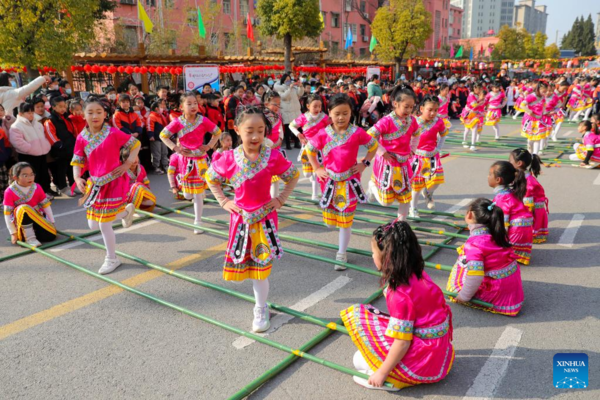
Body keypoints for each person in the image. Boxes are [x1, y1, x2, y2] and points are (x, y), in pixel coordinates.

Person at [206, 105, 299, 333]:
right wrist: (224, 201)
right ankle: (260, 305)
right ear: (237, 130)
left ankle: (260, 307)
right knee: (249, 266)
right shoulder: (228, 157)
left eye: (260, 130)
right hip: (240, 221)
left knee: (261, 267)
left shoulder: (273, 156)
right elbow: (210, 178)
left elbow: (292, 176)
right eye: (249, 130)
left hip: (265, 219)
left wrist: (280, 199)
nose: (256, 136)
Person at [340, 220, 454, 391]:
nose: (372, 256)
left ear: (386, 258)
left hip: (424, 357)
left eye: (373, 252)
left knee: (358, 360)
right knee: (364, 323)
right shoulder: (418, 273)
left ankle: (395, 381)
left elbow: (402, 343)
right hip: (439, 348)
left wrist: (381, 373)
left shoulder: (399, 294)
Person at [306, 94, 378, 267]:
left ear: (351, 113)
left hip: (350, 182)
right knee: (331, 223)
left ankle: (341, 253)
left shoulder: (357, 132)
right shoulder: (322, 134)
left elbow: (373, 146)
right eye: (337, 113)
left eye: (345, 113)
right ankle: (340, 244)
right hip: (329, 183)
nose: (341, 117)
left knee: (346, 221)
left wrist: (364, 164)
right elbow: (310, 150)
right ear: (329, 112)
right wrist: (317, 168)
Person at [71, 96, 139, 274]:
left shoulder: (113, 132)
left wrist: (127, 164)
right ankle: (125, 212)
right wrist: (78, 178)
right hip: (95, 184)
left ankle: (112, 258)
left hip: (114, 180)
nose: (95, 116)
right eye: (90, 112)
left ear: (105, 114)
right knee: (93, 225)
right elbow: (77, 161)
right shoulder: (81, 137)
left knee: (103, 223)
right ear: (83, 115)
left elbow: (136, 144)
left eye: (99, 112)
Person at [446, 198, 524, 316]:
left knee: (454, 285)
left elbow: (475, 276)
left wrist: (463, 296)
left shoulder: (474, 244)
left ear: (470, 214)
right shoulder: (496, 232)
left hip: (498, 291)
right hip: (512, 286)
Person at [159, 92, 221, 234]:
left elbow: (217, 132)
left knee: (198, 194)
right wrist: (175, 148)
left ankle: (197, 221)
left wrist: (209, 146)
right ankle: (192, 193)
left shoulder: (203, 120)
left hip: (199, 160)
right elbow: (163, 135)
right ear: (181, 107)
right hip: (185, 161)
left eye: (195, 103)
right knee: (187, 194)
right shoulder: (177, 122)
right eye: (189, 104)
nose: (193, 106)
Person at [365, 85, 418, 221]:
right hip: (387, 162)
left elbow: (417, 134)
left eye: (411, 107)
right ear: (395, 103)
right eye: (406, 106)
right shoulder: (386, 121)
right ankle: (372, 186)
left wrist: (413, 148)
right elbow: (370, 135)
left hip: (403, 162)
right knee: (386, 201)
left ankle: (402, 223)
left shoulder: (412, 121)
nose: (409, 110)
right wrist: (382, 152)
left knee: (405, 196)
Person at [488, 161, 533, 265]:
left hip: (517, 233)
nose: (488, 176)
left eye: (490, 174)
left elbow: (503, 224)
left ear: (498, 180)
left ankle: (509, 251)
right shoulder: (510, 192)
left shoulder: (502, 197)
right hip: (524, 233)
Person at [411, 96, 448, 215]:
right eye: (430, 109)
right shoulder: (414, 122)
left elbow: (443, 135)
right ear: (421, 108)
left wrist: (438, 148)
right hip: (417, 157)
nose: (433, 113)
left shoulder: (439, 122)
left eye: (436, 110)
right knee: (416, 186)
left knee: (436, 180)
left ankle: (428, 193)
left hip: (433, 156)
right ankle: (413, 208)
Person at [3, 162, 56, 246]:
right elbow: (7, 214)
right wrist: (13, 233)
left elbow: (46, 206)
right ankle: (30, 238)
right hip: (21, 222)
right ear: (15, 177)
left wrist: (52, 223)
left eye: (32, 174)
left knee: (50, 237)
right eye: (25, 175)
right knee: (24, 208)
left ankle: (35, 232)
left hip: (37, 216)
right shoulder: (9, 191)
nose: (30, 178)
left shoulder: (37, 187)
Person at [289, 94, 330, 200]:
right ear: (308, 106)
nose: (318, 109)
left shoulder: (324, 117)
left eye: (319, 106)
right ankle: (314, 184)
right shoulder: (303, 117)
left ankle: (315, 194)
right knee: (308, 174)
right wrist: (298, 134)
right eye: (315, 106)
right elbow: (291, 125)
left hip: (320, 149)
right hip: (307, 147)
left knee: (317, 171)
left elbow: (331, 127)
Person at [8, 102, 53, 197]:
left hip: (41, 153)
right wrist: (30, 148)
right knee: (31, 176)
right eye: (28, 113)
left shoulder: (37, 124)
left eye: (32, 112)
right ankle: (33, 195)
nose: (31, 115)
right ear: (20, 114)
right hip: (28, 155)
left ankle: (44, 192)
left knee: (43, 174)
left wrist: (46, 146)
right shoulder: (16, 126)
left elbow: (44, 136)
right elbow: (17, 141)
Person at [510, 148, 548, 244]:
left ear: (519, 163)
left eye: (510, 160)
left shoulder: (528, 181)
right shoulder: (520, 175)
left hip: (532, 211)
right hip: (528, 207)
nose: (508, 162)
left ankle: (531, 230)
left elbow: (528, 206)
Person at [43, 96, 76, 197]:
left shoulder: (67, 117)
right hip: (60, 150)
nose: (63, 109)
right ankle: (63, 187)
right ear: (53, 107)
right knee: (61, 170)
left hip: (70, 147)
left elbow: (73, 130)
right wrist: (59, 145)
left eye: (64, 106)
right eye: (60, 106)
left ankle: (73, 185)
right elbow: (50, 134)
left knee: (71, 168)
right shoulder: (50, 120)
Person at [261, 91, 286, 199]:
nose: (277, 106)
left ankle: (273, 200)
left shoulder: (278, 116)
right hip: (264, 149)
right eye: (275, 104)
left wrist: (280, 140)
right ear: (266, 104)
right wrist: (267, 143)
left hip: (276, 149)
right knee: (263, 177)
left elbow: (281, 130)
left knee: (275, 177)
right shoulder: (261, 116)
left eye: (279, 104)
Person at [274, 74, 304, 150]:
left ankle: (297, 143)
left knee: (297, 128)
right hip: (287, 111)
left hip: (295, 111)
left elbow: (300, 93)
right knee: (287, 129)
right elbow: (284, 97)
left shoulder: (294, 87)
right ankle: (288, 144)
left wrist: (300, 86)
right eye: (286, 79)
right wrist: (289, 89)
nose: (288, 81)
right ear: (283, 81)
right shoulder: (280, 89)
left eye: (289, 79)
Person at [121, 147, 155, 212]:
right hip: (125, 197)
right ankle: (131, 209)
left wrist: (145, 195)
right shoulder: (122, 171)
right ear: (125, 160)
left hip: (139, 194)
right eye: (131, 158)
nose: (135, 160)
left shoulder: (141, 168)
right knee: (137, 186)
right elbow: (120, 189)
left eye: (136, 156)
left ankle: (137, 205)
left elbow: (146, 183)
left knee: (151, 202)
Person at [520, 81, 548, 155]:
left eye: (546, 91)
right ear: (538, 89)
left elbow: (544, 106)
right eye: (543, 91)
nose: (545, 93)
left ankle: (535, 155)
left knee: (537, 138)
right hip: (530, 119)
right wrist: (529, 111)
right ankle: (529, 151)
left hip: (538, 120)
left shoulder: (543, 97)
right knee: (530, 139)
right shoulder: (531, 96)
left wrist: (545, 113)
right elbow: (522, 105)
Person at [460, 83, 486, 151]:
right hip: (469, 114)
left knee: (474, 129)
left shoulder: (476, 95)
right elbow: (474, 105)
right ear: (475, 88)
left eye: (481, 89)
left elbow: (478, 105)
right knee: (467, 129)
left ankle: (472, 145)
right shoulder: (471, 95)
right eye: (479, 89)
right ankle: (464, 142)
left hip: (474, 114)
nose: (480, 91)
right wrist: (480, 102)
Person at [147, 99, 170, 175]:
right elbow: (149, 127)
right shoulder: (152, 116)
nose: (162, 108)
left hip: (163, 138)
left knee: (164, 152)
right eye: (160, 106)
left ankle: (165, 165)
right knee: (156, 153)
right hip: (156, 138)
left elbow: (165, 126)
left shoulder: (161, 116)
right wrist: (151, 135)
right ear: (156, 108)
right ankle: (156, 167)